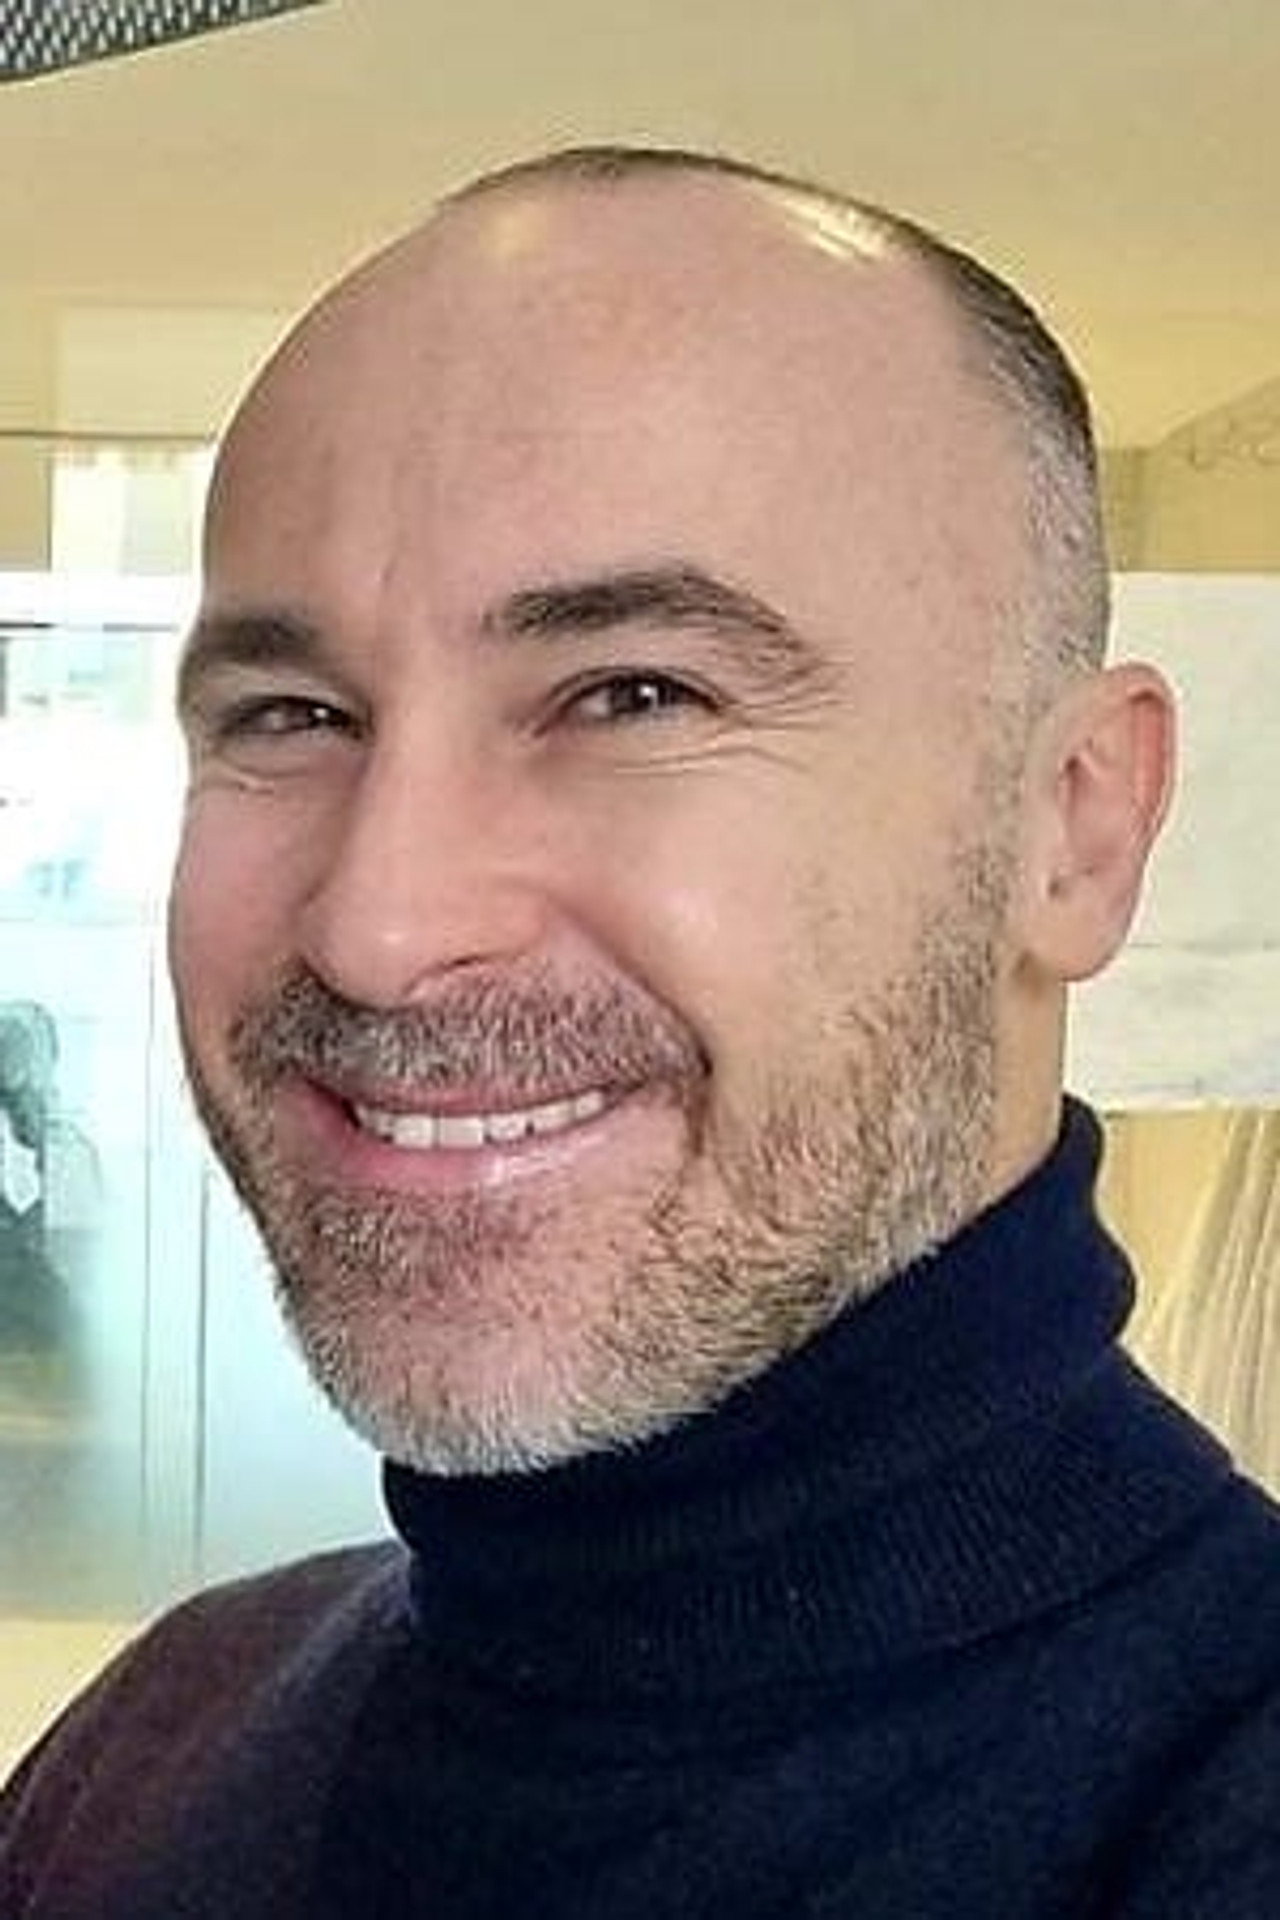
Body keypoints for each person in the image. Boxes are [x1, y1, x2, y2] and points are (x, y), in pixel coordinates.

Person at [2, 145, 1278, 1918]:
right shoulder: (158, 1733)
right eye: (292, 713)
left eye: (633, 694)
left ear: (1076, 827)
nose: (379, 928)